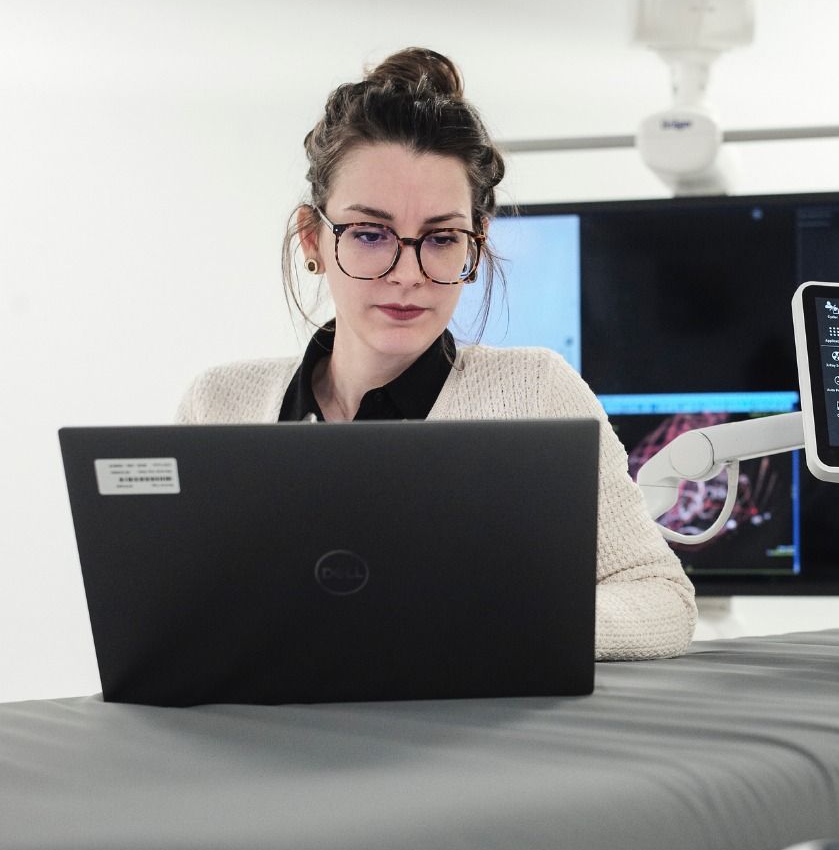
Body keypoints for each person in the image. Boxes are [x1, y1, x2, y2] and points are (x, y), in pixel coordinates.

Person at [176, 47, 696, 660]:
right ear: (312, 238)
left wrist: (485, 621)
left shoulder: (535, 394)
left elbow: (661, 599)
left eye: (441, 238)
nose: (408, 274)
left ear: (474, 244)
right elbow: (178, 617)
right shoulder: (219, 404)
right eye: (370, 235)